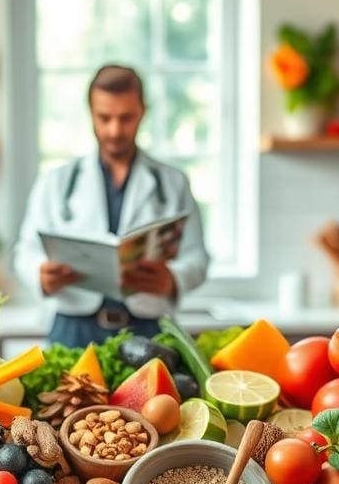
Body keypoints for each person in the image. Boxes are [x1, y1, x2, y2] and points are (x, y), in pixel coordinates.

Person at [13, 64, 210, 347]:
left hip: (149, 329)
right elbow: (24, 252)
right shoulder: (55, 182)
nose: (115, 130)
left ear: (143, 111)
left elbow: (198, 259)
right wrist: (40, 274)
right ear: (90, 113)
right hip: (72, 329)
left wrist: (172, 280)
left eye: (126, 118)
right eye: (104, 118)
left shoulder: (173, 183)